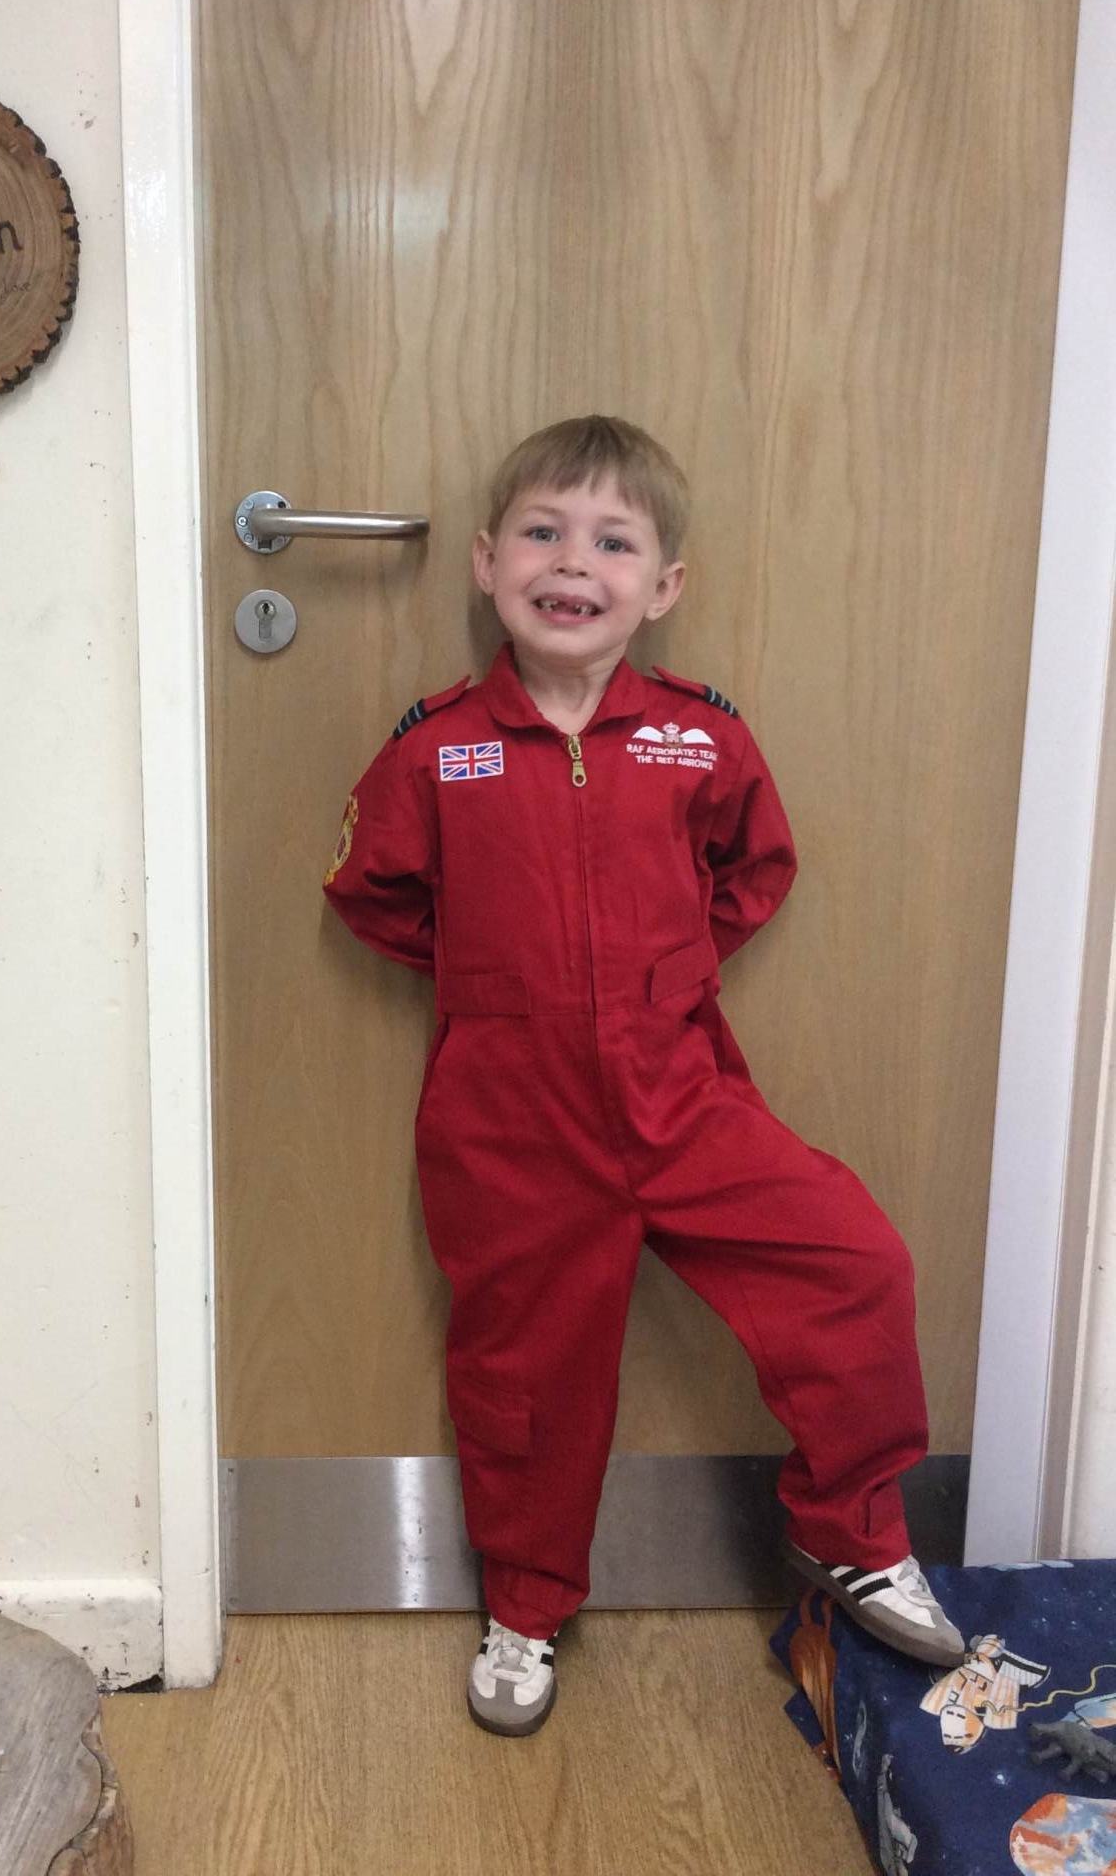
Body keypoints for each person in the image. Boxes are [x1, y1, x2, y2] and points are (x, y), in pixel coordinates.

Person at [322, 414, 965, 1739]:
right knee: (526, 1375)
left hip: (682, 1096)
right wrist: (498, 980)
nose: (574, 562)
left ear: (661, 587)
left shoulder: (698, 739)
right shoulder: (437, 748)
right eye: (543, 533)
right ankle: (526, 1601)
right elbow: (373, 893)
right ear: (488, 565)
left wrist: (659, 976)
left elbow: (756, 867)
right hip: (509, 1121)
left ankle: (847, 1527)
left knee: (854, 1265)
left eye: (612, 542)